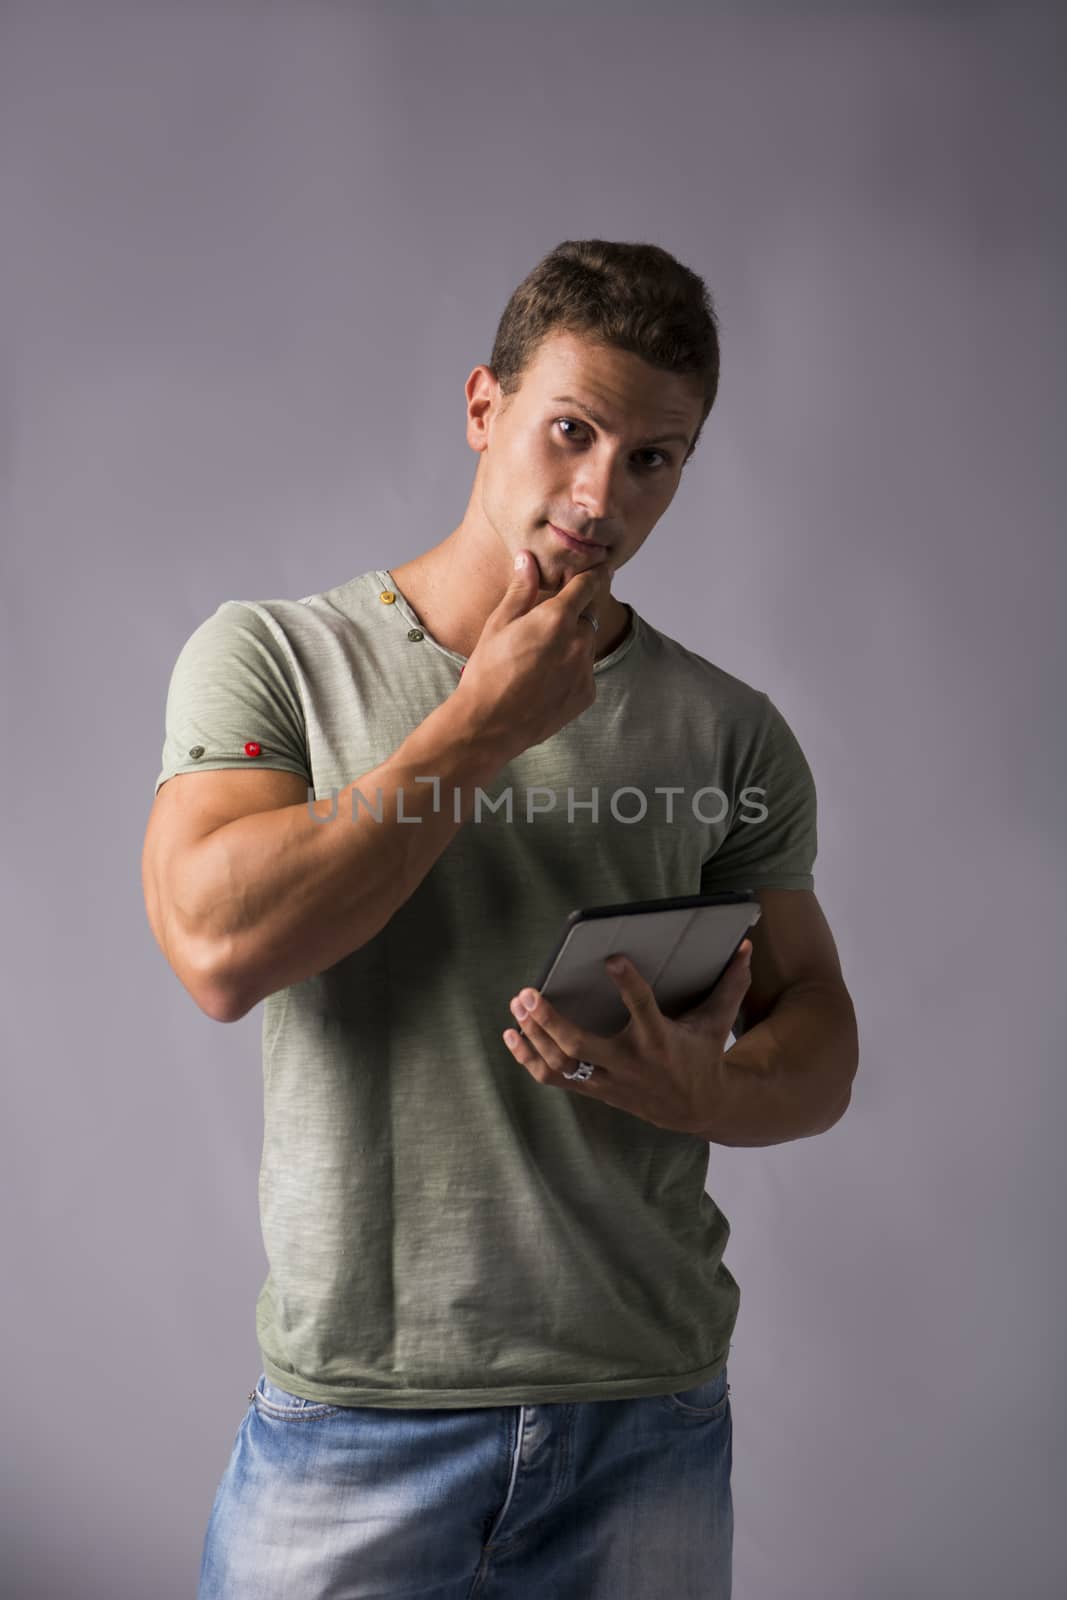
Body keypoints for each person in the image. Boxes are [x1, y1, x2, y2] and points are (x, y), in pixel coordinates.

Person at [142, 238, 858, 1600]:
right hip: (356, 1424)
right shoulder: (276, 657)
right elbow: (220, 950)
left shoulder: (731, 732)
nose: (602, 494)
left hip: (644, 1418)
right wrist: (478, 727)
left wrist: (706, 1080)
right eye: (571, 432)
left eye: (655, 459)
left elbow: (819, 1046)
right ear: (486, 408)